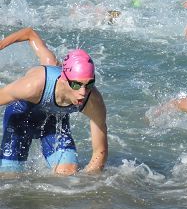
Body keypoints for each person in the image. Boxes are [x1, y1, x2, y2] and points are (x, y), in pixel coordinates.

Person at [0, 28, 108, 174]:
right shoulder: (33, 85)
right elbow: (29, 33)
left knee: (68, 173)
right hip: (20, 117)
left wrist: (88, 186)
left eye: (89, 84)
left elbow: (99, 152)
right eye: (75, 84)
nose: (82, 92)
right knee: (10, 178)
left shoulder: (92, 100)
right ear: (64, 79)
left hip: (54, 122)